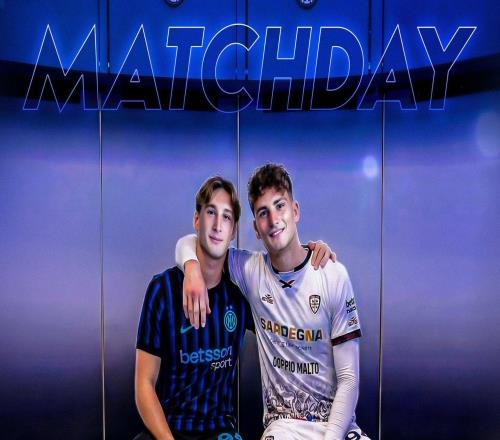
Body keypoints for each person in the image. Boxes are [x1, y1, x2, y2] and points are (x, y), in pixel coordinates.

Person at [177, 164, 369, 440]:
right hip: (284, 427)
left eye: (280, 206)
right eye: (263, 212)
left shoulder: (332, 274)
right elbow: (192, 242)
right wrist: (192, 267)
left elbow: (349, 379)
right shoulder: (250, 270)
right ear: (256, 228)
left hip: (338, 427)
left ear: (295, 211)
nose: (274, 219)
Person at [134, 175, 333, 440]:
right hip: (167, 430)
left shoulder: (241, 293)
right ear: (196, 220)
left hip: (220, 431)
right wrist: (190, 266)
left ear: (234, 230)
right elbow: (144, 384)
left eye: (226, 217)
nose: (218, 225)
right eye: (211, 213)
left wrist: (311, 253)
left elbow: (287, 295)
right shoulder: (163, 290)